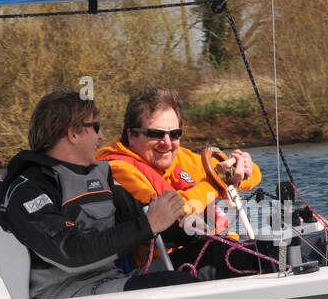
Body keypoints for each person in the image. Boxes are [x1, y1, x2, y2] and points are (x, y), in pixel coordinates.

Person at [0, 87, 196, 299]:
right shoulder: (29, 190)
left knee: (213, 255)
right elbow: (71, 252)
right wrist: (149, 224)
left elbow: (140, 216)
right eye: (95, 127)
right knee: (178, 285)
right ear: (73, 133)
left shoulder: (98, 177)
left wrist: (193, 227)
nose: (101, 135)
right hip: (70, 296)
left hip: (110, 281)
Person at [97, 85, 265, 275]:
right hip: (160, 267)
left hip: (209, 248)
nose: (167, 143)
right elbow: (168, 217)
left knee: (282, 246)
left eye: (175, 134)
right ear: (131, 136)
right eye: (156, 134)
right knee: (241, 256)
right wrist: (214, 184)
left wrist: (240, 170)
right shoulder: (118, 169)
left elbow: (255, 175)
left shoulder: (180, 157)